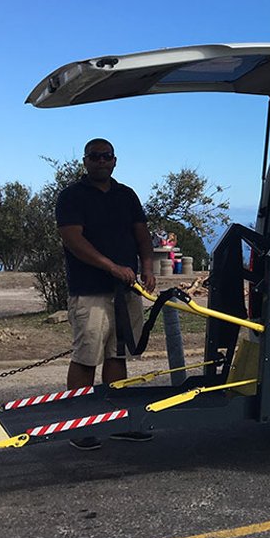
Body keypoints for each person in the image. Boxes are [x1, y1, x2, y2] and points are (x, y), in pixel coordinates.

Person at [56, 138, 157, 450]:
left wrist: (147, 266)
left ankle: (118, 423)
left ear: (115, 161)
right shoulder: (71, 196)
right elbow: (73, 240)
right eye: (95, 156)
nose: (101, 161)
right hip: (90, 292)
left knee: (118, 355)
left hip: (126, 291)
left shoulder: (126, 195)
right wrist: (111, 267)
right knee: (86, 358)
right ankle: (79, 425)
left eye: (106, 156)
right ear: (85, 161)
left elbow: (142, 236)